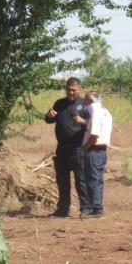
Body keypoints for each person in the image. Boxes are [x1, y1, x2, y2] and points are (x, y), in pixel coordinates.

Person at [44, 77, 91, 217]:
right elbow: (49, 120)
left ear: (79, 89)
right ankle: (63, 209)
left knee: (81, 180)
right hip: (62, 148)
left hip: (78, 148)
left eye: (74, 90)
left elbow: (93, 122)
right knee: (62, 180)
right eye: (68, 90)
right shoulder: (59, 103)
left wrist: (84, 121)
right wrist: (49, 115)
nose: (71, 92)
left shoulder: (85, 104)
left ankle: (86, 209)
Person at [80, 92, 113, 218]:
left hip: (93, 150)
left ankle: (96, 209)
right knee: (98, 179)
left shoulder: (95, 112)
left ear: (90, 101)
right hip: (101, 151)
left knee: (92, 179)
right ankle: (97, 207)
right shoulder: (105, 111)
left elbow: (94, 135)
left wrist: (85, 147)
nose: (84, 102)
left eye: (85, 100)